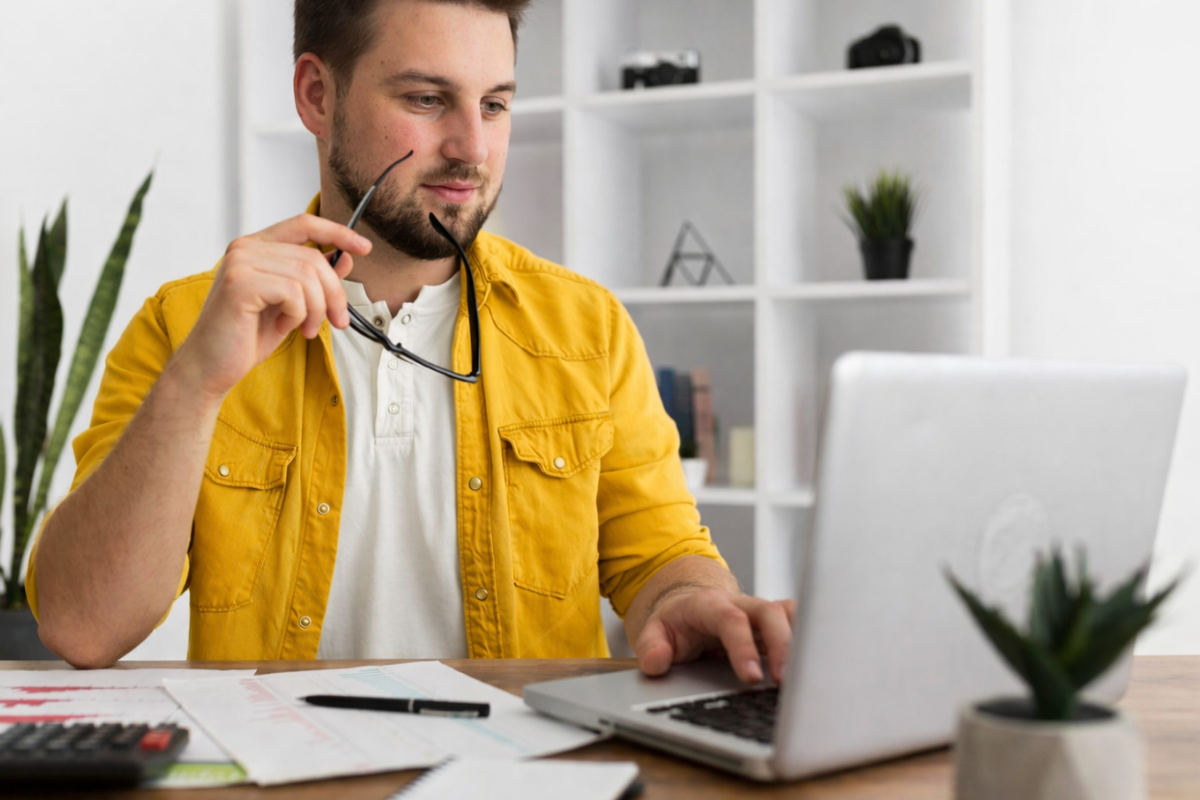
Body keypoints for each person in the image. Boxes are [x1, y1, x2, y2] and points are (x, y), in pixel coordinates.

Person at [27, 0, 793, 684]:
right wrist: (196, 384)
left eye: (494, 104)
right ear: (317, 96)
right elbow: (83, 628)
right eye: (427, 100)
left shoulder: (586, 328)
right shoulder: (184, 326)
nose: (473, 148)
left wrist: (692, 601)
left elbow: (657, 554)